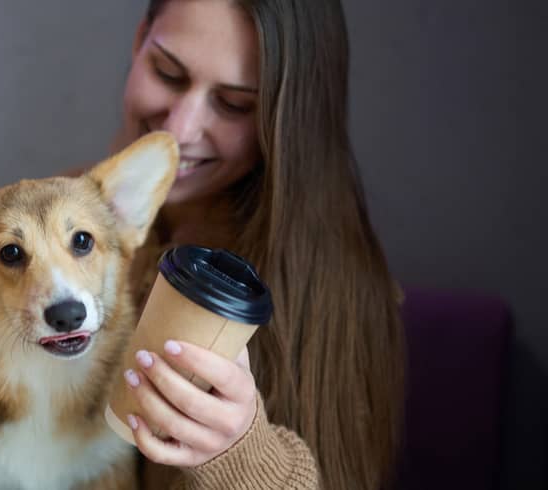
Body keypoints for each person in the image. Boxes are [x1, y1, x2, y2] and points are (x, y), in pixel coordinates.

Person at [87, 0, 405, 488]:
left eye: (234, 104)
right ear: (138, 42)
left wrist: (241, 456)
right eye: (167, 72)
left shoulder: (333, 298)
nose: (180, 129)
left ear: (284, 122)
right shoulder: (56, 217)